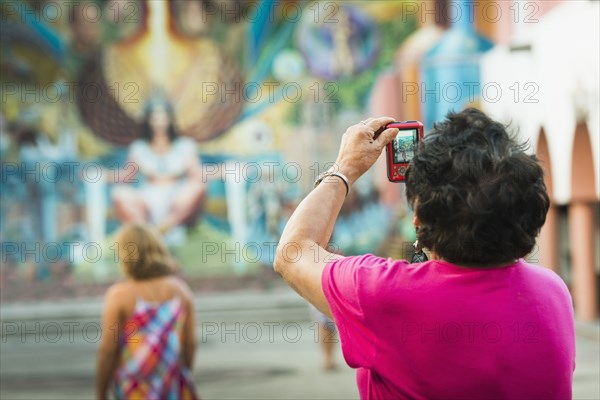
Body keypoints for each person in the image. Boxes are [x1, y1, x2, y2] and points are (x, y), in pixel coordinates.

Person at [274, 108, 575, 399]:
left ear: (418, 220)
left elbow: (293, 253)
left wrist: (344, 170)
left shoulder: (383, 294)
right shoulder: (553, 292)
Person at [96, 223, 198, 399]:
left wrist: (101, 393)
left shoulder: (120, 296)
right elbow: (190, 344)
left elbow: (108, 349)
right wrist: (181, 374)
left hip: (134, 388)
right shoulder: (181, 291)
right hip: (171, 385)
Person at [112, 99, 206, 245]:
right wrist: (99, 174)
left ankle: (163, 228)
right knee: (120, 194)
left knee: (197, 187)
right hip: (149, 196)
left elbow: (197, 174)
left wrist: (225, 170)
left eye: (163, 118)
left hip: (177, 195)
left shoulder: (185, 145)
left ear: (170, 119)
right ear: (148, 121)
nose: (160, 123)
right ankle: (146, 234)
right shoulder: (139, 147)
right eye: (155, 118)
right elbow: (126, 176)